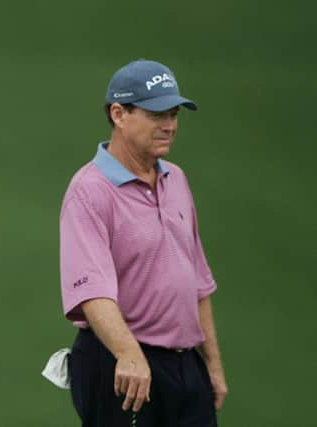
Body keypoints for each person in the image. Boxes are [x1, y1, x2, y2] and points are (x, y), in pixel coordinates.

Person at [59, 59, 228, 426]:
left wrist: (211, 365)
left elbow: (198, 279)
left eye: (173, 115)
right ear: (119, 114)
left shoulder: (176, 179)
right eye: (156, 115)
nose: (169, 126)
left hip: (185, 366)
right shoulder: (89, 190)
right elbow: (92, 291)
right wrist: (129, 354)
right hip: (123, 365)